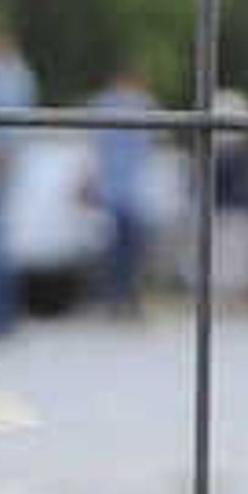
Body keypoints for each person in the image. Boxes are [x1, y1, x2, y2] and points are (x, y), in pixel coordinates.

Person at [88, 55, 159, 316]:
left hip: (116, 188)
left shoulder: (104, 103)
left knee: (117, 248)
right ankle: (126, 299)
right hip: (130, 189)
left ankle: (117, 299)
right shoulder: (142, 104)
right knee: (129, 249)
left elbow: (94, 147)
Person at [0, 18, 36, 333]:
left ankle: (0, 316)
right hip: (2, 168)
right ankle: (1, 315)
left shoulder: (9, 77)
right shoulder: (16, 75)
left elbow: (5, 132)